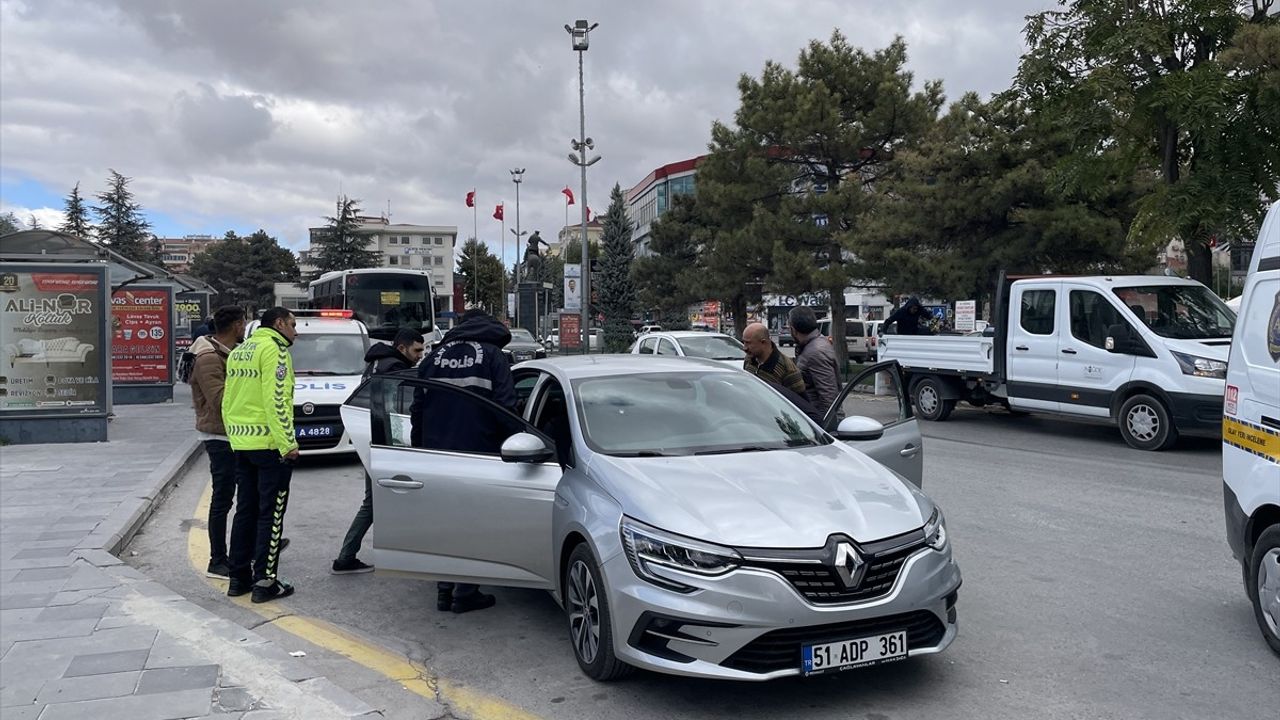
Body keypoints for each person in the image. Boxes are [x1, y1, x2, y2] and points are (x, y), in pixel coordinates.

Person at [410, 309, 516, 613]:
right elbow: (507, 408)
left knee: (443, 523)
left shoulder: (434, 356)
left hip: (437, 455)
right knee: (474, 523)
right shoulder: (494, 356)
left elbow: (418, 407)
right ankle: (465, 592)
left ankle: (444, 589)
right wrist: (513, 448)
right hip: (478, 454)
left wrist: (417, 451)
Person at [332, 328, 426, 575]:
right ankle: (345, 557)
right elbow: (402, 408)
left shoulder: (377, 363)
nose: (420, 355)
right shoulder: (395, 368)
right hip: (387, 442)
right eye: (417, 350)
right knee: (374, 502)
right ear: (402, 348)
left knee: (384, 500)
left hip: (372, 438)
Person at [222, 307, 299, 604]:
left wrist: (234, 437)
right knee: (271, 514)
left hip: (242, 444)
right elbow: (276, 400)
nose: (296, 331)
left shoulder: (241, 351)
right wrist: (287, 444)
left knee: (245, 512)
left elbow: (228, 400)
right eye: (293, 325)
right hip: (269, 446)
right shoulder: (275, 351)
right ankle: (265, 582)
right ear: (278, 324)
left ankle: (238, 578)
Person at [190, 305, 247, 579]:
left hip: (235, 434)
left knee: (246, 492)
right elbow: (221, 400)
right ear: (237, 325)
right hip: (219, 436)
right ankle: (217, 559)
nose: (245, 328)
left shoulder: (226, 353)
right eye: (244, 323)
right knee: (222, 498)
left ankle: (247, 547)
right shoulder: (209, 358)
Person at [790, 306, 841, 418]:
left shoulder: (815, 352)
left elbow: (828, 395)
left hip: (818, 421)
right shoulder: (812, 346)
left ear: (793, 329)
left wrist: (828, 427)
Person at [741, 322, 806, 396]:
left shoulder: (788, 370)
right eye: (744, 342)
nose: (744, 348)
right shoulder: (749, 359)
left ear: (763, 342)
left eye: (748, 343)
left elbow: (800, 402)